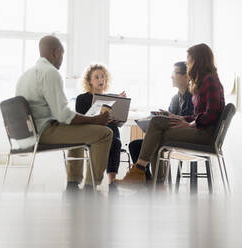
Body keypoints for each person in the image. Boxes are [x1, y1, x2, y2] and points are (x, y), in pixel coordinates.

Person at [117, 43, 225, 186]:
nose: (187, 62)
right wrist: (180, 118)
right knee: (157, 128)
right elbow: (199, 115)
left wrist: (190, 124)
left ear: (198, 60)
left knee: (157, 131)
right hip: (200, 130)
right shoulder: (203, 82)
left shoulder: (210, 81)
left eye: (189, 58)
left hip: (206, 134)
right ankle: (153, 182)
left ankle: (144, 175)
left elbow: (211, 115)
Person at [15, 35, 113, 192]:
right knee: (105, 133)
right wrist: (95, 119)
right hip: (42, 132)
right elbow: (63, 116)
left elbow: (62, 116)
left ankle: (73, 184)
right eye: (62, 54)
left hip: (26, 134)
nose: (62, 59)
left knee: (78, 130)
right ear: (56, 52)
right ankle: (90, 187)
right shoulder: (50, 73)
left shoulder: (25, 75)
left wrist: (86, 120)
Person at [128, 61, 194, 181]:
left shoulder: (194, 96)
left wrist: (170, 116)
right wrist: (162, 116)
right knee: (134, 145)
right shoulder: (175, 99)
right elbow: (167, 120)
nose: (171, 76)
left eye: (175, 72)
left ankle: (158, 183)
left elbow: (192, 119)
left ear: (187, 76)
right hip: (170, 134)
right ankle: (147, 182)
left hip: (183, 135)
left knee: (155, 143)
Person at [73, 64, 126, 192]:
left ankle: (112, 182)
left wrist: (117, 115)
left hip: (109, 133)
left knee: (114, 134)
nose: (101, 80)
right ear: (89, 81)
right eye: (96, 77)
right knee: (112, 133)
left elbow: (120, 122)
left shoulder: (112, 98)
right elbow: (81, 121)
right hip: (90, 134)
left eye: (103, 77)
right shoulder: (82, 99)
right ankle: (105, 182)